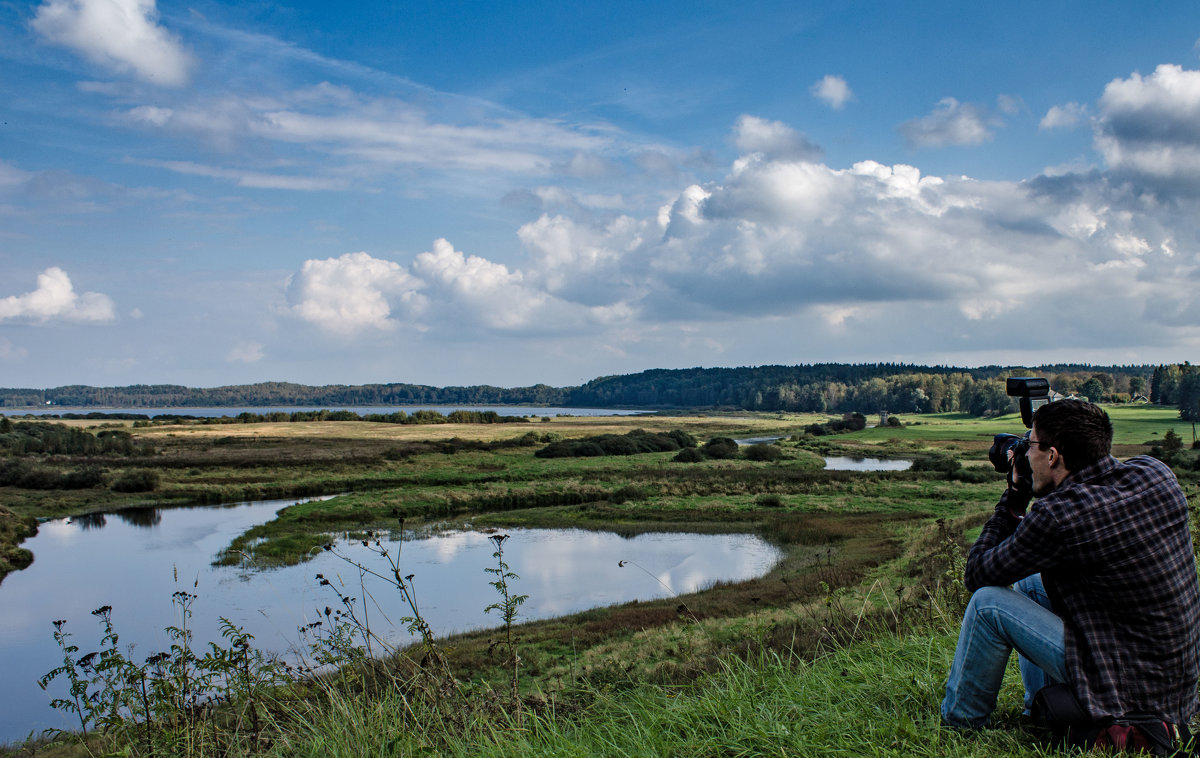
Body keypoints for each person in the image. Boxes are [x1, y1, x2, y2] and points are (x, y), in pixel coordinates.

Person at [941, 398, 1200, 734]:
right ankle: (1042, 703)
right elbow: (1089, 493)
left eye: (1030, 445)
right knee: (1030, 584)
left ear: (1052, 456)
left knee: (988, 603)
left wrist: (1016, 493)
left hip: (1129, 688)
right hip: (1170, 679)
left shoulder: (1060, 516)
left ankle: (961, 724)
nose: (1026, 453)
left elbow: (977, 574)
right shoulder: (1155, 472)